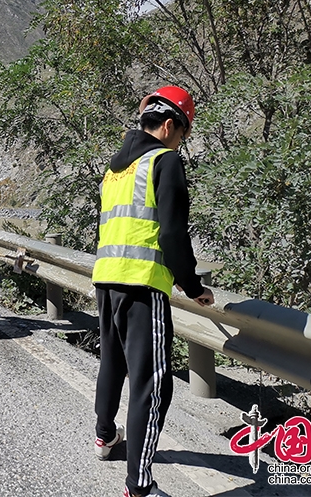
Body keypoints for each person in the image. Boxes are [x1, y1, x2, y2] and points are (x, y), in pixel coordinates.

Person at [91, 86, 215, 497]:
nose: (181, 141)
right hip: (143, 286)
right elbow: (172, 233)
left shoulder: (114, 170)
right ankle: (139, 485)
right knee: (154, 383)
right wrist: (193, 286)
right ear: (168, 125)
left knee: (112, 362)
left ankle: (105, 437)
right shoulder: (164, 160)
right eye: (183, 132)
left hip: (106, 278)